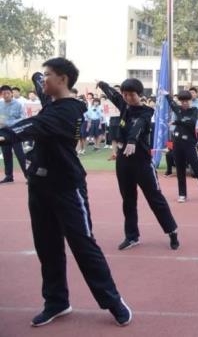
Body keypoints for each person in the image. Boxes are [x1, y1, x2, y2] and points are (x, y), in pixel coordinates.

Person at [0, 59, 132, 327]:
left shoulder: (67, 112)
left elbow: (28, 127)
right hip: (39, 186)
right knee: (47, 246)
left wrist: (6, 134)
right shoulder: (53, 102)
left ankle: (113, 301)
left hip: (67, 187)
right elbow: (39, 81)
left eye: (48, 75)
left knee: (83, 245)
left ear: (62, 79)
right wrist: (39, 76)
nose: (43, 79)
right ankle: (56, 301)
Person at [97, 79, 179, 251]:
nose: (127, 98)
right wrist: (103, 84)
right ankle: (132, 236)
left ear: (140, 95)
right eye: (125, 94)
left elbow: (138, 125)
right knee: (128, 200)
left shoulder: (146, 111)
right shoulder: (123, 104)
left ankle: (172, 231)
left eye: (131, 95)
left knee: (155, 198)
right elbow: (113, 94)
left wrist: (132, 140)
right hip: (123, 161)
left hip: (142, 162)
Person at [165, 90, 198, 203]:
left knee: (197, 169)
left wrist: (176, 122)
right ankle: (182, 194)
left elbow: (191, 122)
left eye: (186, 101)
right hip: (177, 143)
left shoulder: (195, 110)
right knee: (180, 170)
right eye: (182, 101)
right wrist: (166, 94)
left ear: (190, 100)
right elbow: (171, 103)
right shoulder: (178, 109)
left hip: (189, 144)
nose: (184, 103)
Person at [0, 84, 28, 183]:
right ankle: (9, 176)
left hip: (15, 131)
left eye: (8, 93)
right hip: (3, 131)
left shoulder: (18, 104)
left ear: (11, 93)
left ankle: (28, 176)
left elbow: (23, 118)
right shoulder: (0, 104)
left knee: (20, 154)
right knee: (6, 153)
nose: (6, 95)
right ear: (1, 95)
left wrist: (8, 123)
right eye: (3, 94)